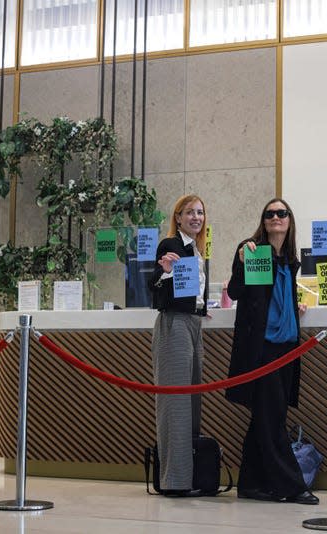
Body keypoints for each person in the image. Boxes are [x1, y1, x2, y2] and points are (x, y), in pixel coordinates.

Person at [225, 198, 318, 505]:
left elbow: (277, 297)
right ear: (263, 221)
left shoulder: (289, 260)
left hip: (287, 348)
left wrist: (294, 306)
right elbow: (237, 292)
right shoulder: (252, 250)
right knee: (272, 418)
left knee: (266, 417)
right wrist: (240, 260)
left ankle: (251, 484)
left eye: (282, 213)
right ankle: (290, 485)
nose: (276, 217)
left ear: (290, 220)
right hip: (261, 349)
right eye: (270, 214)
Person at [149, 194, 209, 497]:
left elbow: (192, 289)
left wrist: (202, 305)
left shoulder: (198, 249)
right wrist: (167, 271)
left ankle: (189, 476)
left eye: (199, 212)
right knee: (176, 404)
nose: (195, 217)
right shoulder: (169, 245)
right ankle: (175, 481)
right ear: (178, 217)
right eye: (189, 213)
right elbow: (157, 281)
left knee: (192, 402)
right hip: (174, 323)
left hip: (194, 321)